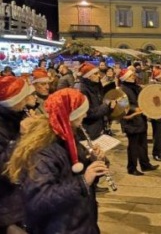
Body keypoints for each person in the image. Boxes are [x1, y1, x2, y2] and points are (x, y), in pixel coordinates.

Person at [6, 88, 108, 234]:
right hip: (60, 227)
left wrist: (94, 162)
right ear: (70, 116)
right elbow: (39, 200)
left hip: (79, 221)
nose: (85, 115)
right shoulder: (44, 150)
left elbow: (77, 173)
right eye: (81, 111)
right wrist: (83, 181)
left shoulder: (68, 137)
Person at [0, 76, 33, 233]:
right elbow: (3, 165)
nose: (28, 100)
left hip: (21, 198)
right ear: (14, 101)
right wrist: (22, 137)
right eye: (24, 97)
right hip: (6, 203)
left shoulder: (16, 116)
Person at [119, 69, 159, 175]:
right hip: (131, 121)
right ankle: (132, 168)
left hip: (140, 120)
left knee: (142, 144)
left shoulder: (136, 87)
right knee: (133, 146)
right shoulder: (122, 89)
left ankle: (145, 164)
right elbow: (122, 105)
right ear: (125, 78)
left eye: (133, 75)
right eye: (131, 76)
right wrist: (134, 109)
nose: (133, 76)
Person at [79, 62, 116, 140]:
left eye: (98, 73)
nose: (98, 75)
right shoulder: (83, 91)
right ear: (88, 76)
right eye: (95, 74)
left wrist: (110, 107)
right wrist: (106, 106)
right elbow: (88, 114)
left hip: (98, 127)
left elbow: (99, 106)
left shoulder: (96, 87)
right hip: (90, 130)